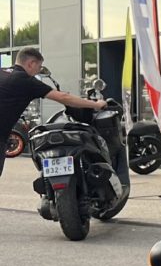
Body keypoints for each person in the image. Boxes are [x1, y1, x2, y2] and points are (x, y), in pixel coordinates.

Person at [0, 47, 106, 178]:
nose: (38, 72)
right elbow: (63, 98)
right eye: (39, 67)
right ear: (31, 63)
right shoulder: (26, 80)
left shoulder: (3, 72)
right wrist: (96, 104)